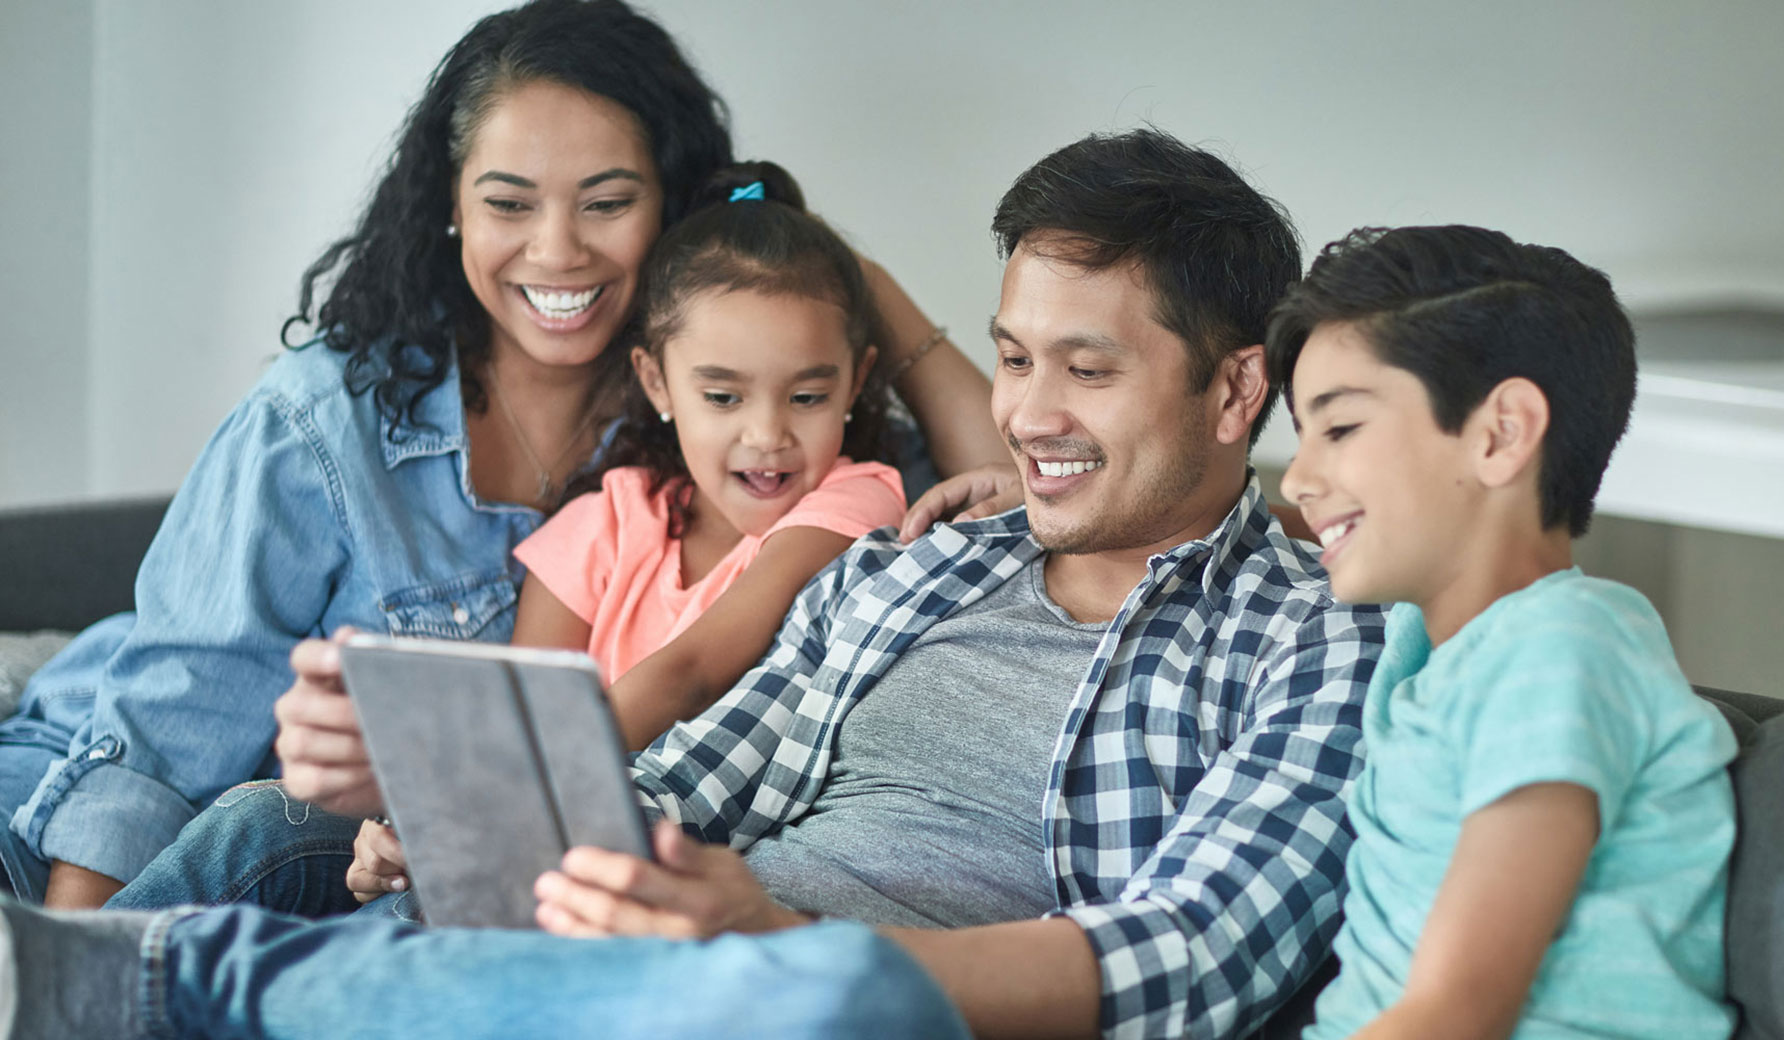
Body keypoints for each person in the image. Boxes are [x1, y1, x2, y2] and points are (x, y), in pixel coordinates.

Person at [0, 128, 1384, 1040]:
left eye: (1087, 368)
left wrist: (767, 935)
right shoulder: (925, 564)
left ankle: (127, 989)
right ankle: (86, 981)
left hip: (848, 1001)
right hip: (677, 958)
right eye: (1013, 360)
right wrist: (493, 831)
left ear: (1233, 388)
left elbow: (1192, 956)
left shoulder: (1311, 636)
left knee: (822, 988)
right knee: (291, 824)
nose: (1027, 414)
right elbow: (696, 775)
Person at [0, 0, 1005, 911]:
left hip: (388, 839)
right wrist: (68, 946)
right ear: (452, 203)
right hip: (75, 780)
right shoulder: (324, 417)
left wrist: (857, 278)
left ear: (670, 209)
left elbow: (1003, 512)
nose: (557, 251)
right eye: (510, 202)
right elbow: (161, 725)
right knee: (240, 833)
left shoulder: (727, 410)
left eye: (606, 202)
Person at [112, 158, 912, 915]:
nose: (767, 435)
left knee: (403, 924)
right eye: (723, 396)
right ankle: (65, 975)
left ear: (855, 380)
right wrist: (412, 824)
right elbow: (519, 705)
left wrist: (477, 811)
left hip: (634, 843)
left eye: (807, 396)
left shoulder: (854, 498)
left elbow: (695, 669)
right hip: (508, 806)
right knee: (261, 820)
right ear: (658, 382)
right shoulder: (604, 521)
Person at [1266, 226, 1737, 1039]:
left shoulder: (1560, 649)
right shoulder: (1439, 645)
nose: (1301, 478)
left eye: (1338, 429)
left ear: (1502, 433)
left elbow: (1460, 1011)